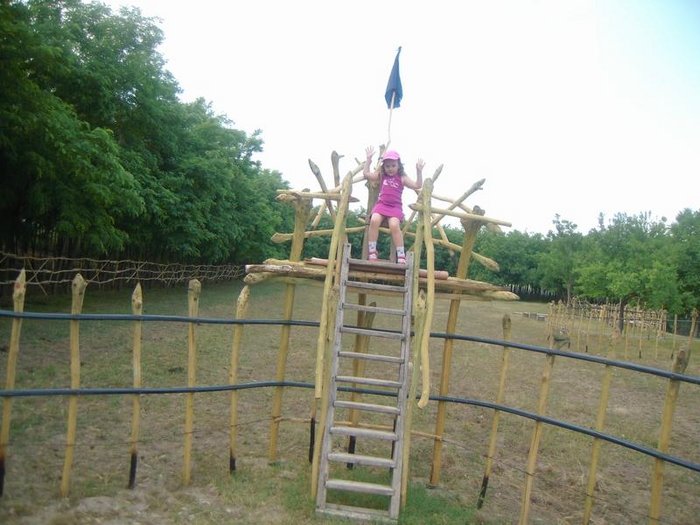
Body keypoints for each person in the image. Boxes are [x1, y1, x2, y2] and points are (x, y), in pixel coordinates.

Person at [364, 146, 424, 264]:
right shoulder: (382, 175)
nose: (390, 168)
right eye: (387, 166)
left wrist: (419, 171)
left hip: (395, 207)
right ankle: (372, 251)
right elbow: (366, 174)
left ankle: (401, 255)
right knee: (374, 220)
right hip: (382, 205)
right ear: (384, 167)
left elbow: (417, 185)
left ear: (398, 165)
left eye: (393, 165)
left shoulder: (402, 178)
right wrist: (368, 160)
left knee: (394, 225)